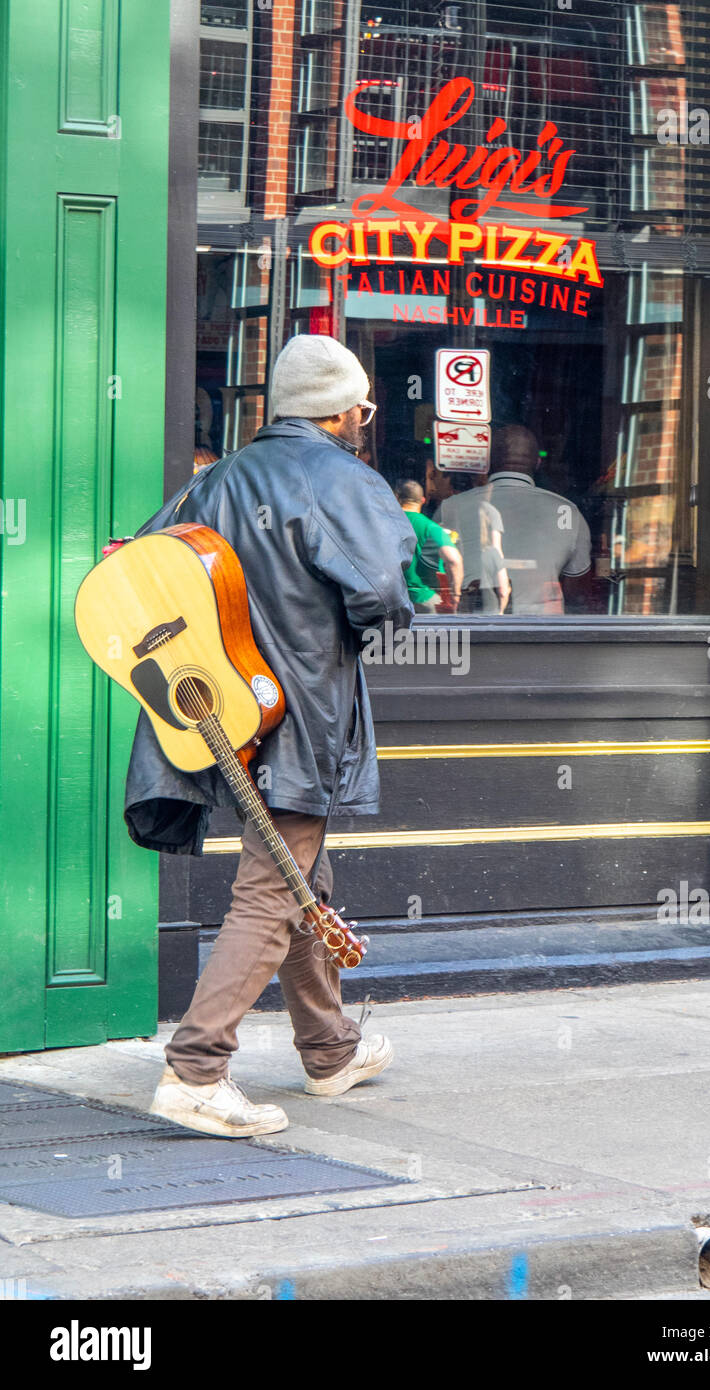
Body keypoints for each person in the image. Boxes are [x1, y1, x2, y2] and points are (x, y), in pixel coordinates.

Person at [123, 335, 416, 1138]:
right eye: (364, 405)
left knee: (296, 872)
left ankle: (329, 1048)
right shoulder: (344, 480)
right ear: (345, 410)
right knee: (273, 886)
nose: (367, 416)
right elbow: (384, 595)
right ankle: (195, 1071)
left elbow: (136, 571)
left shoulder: (212, 480)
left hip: (215, 715)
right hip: (300, 714)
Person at [486, 425, 592, 614]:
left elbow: (430, 579)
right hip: (544, 630)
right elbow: (576, 589)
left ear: (488, 461)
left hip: (470, 631)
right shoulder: (566, 511)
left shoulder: (452, 507)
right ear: (538, 462)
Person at [435, 472, 509, 613]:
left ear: (451, 489)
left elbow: (433, 543)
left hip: (457, 584)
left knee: (462, 632)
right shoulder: (490, 510)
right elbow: (497, 550)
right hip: (487, 584)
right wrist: (503, 590)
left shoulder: (447, 506)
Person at [396, 479, 463, 612]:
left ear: (397, 498)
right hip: (423, 600)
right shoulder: (431, 528)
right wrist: (455, 595)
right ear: (423, 500)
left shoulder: (382, 524)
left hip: (390, 600)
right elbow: (453, 560)